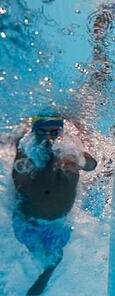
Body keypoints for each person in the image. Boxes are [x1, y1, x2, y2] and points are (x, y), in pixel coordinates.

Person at [6, 115, 97, 295]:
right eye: (42, 132)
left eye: (54, 132)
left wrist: (78, 160)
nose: (48, 137)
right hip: (28, 224)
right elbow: (19, 178)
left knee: (55, 258)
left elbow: (91, 165)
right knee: (45, 256)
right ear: (33, 133)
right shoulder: (26, 152)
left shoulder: (69, 151)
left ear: (61, 132)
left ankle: (43, 280)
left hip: (58, 224)